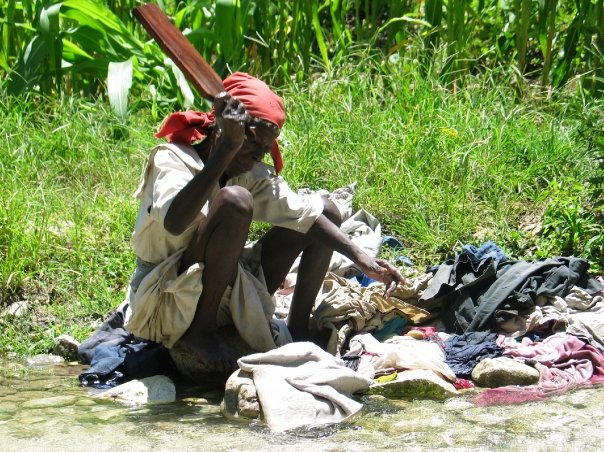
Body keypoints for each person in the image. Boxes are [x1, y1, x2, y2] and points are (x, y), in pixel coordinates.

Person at [124, 72, 404, 376]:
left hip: (221, 287)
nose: (257, 156)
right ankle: (200, 331)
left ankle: (297, 327)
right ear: (222, 130)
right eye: (250, 145)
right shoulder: (174, 159)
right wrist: (227, 149)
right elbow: (175, 222)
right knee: (234, 201)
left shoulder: (249, 169)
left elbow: (308, 216)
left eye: (263, 150)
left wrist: (363, 259)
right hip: (168, 294)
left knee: (326, 211)